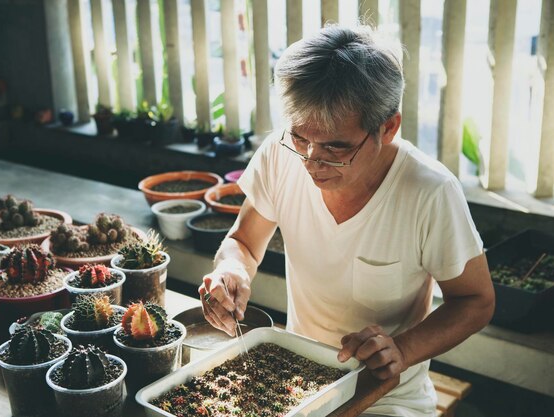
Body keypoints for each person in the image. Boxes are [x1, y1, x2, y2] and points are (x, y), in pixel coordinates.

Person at [198, 25, 495, 417]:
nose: (311, 161)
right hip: (295, 380)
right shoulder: (281, 153)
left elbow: (476, 301)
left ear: (388, 127)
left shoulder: (430, 192)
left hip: (386, 396)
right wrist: (231, 269)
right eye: (300, 138)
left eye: (336, 147)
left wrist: (401, 350)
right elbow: (245, 243)